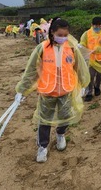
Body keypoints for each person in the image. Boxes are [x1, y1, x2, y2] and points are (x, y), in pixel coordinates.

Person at [14, 18, 90, 163]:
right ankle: (42, 146)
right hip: (47, 91)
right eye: (60, 34)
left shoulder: (72, 48)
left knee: (65, 116)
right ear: (52, 32)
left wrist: (83, 85)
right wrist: (22, 90)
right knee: (44, 120)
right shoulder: (42, 48)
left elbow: (79, 68)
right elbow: (31, 71)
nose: (63, 38)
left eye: (65, 35)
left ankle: (60, 134)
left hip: (66, 90)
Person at [79, 17, 101, 102]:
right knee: (90, 75)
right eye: (95, 26)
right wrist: (81, 46)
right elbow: (83, 42)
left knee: (99, 75)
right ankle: (89, 93)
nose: (97, 27)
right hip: (91, 59)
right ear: (92, 25)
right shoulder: (87, 34)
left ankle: (97, 87)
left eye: (99, 26)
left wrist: (97, 49)